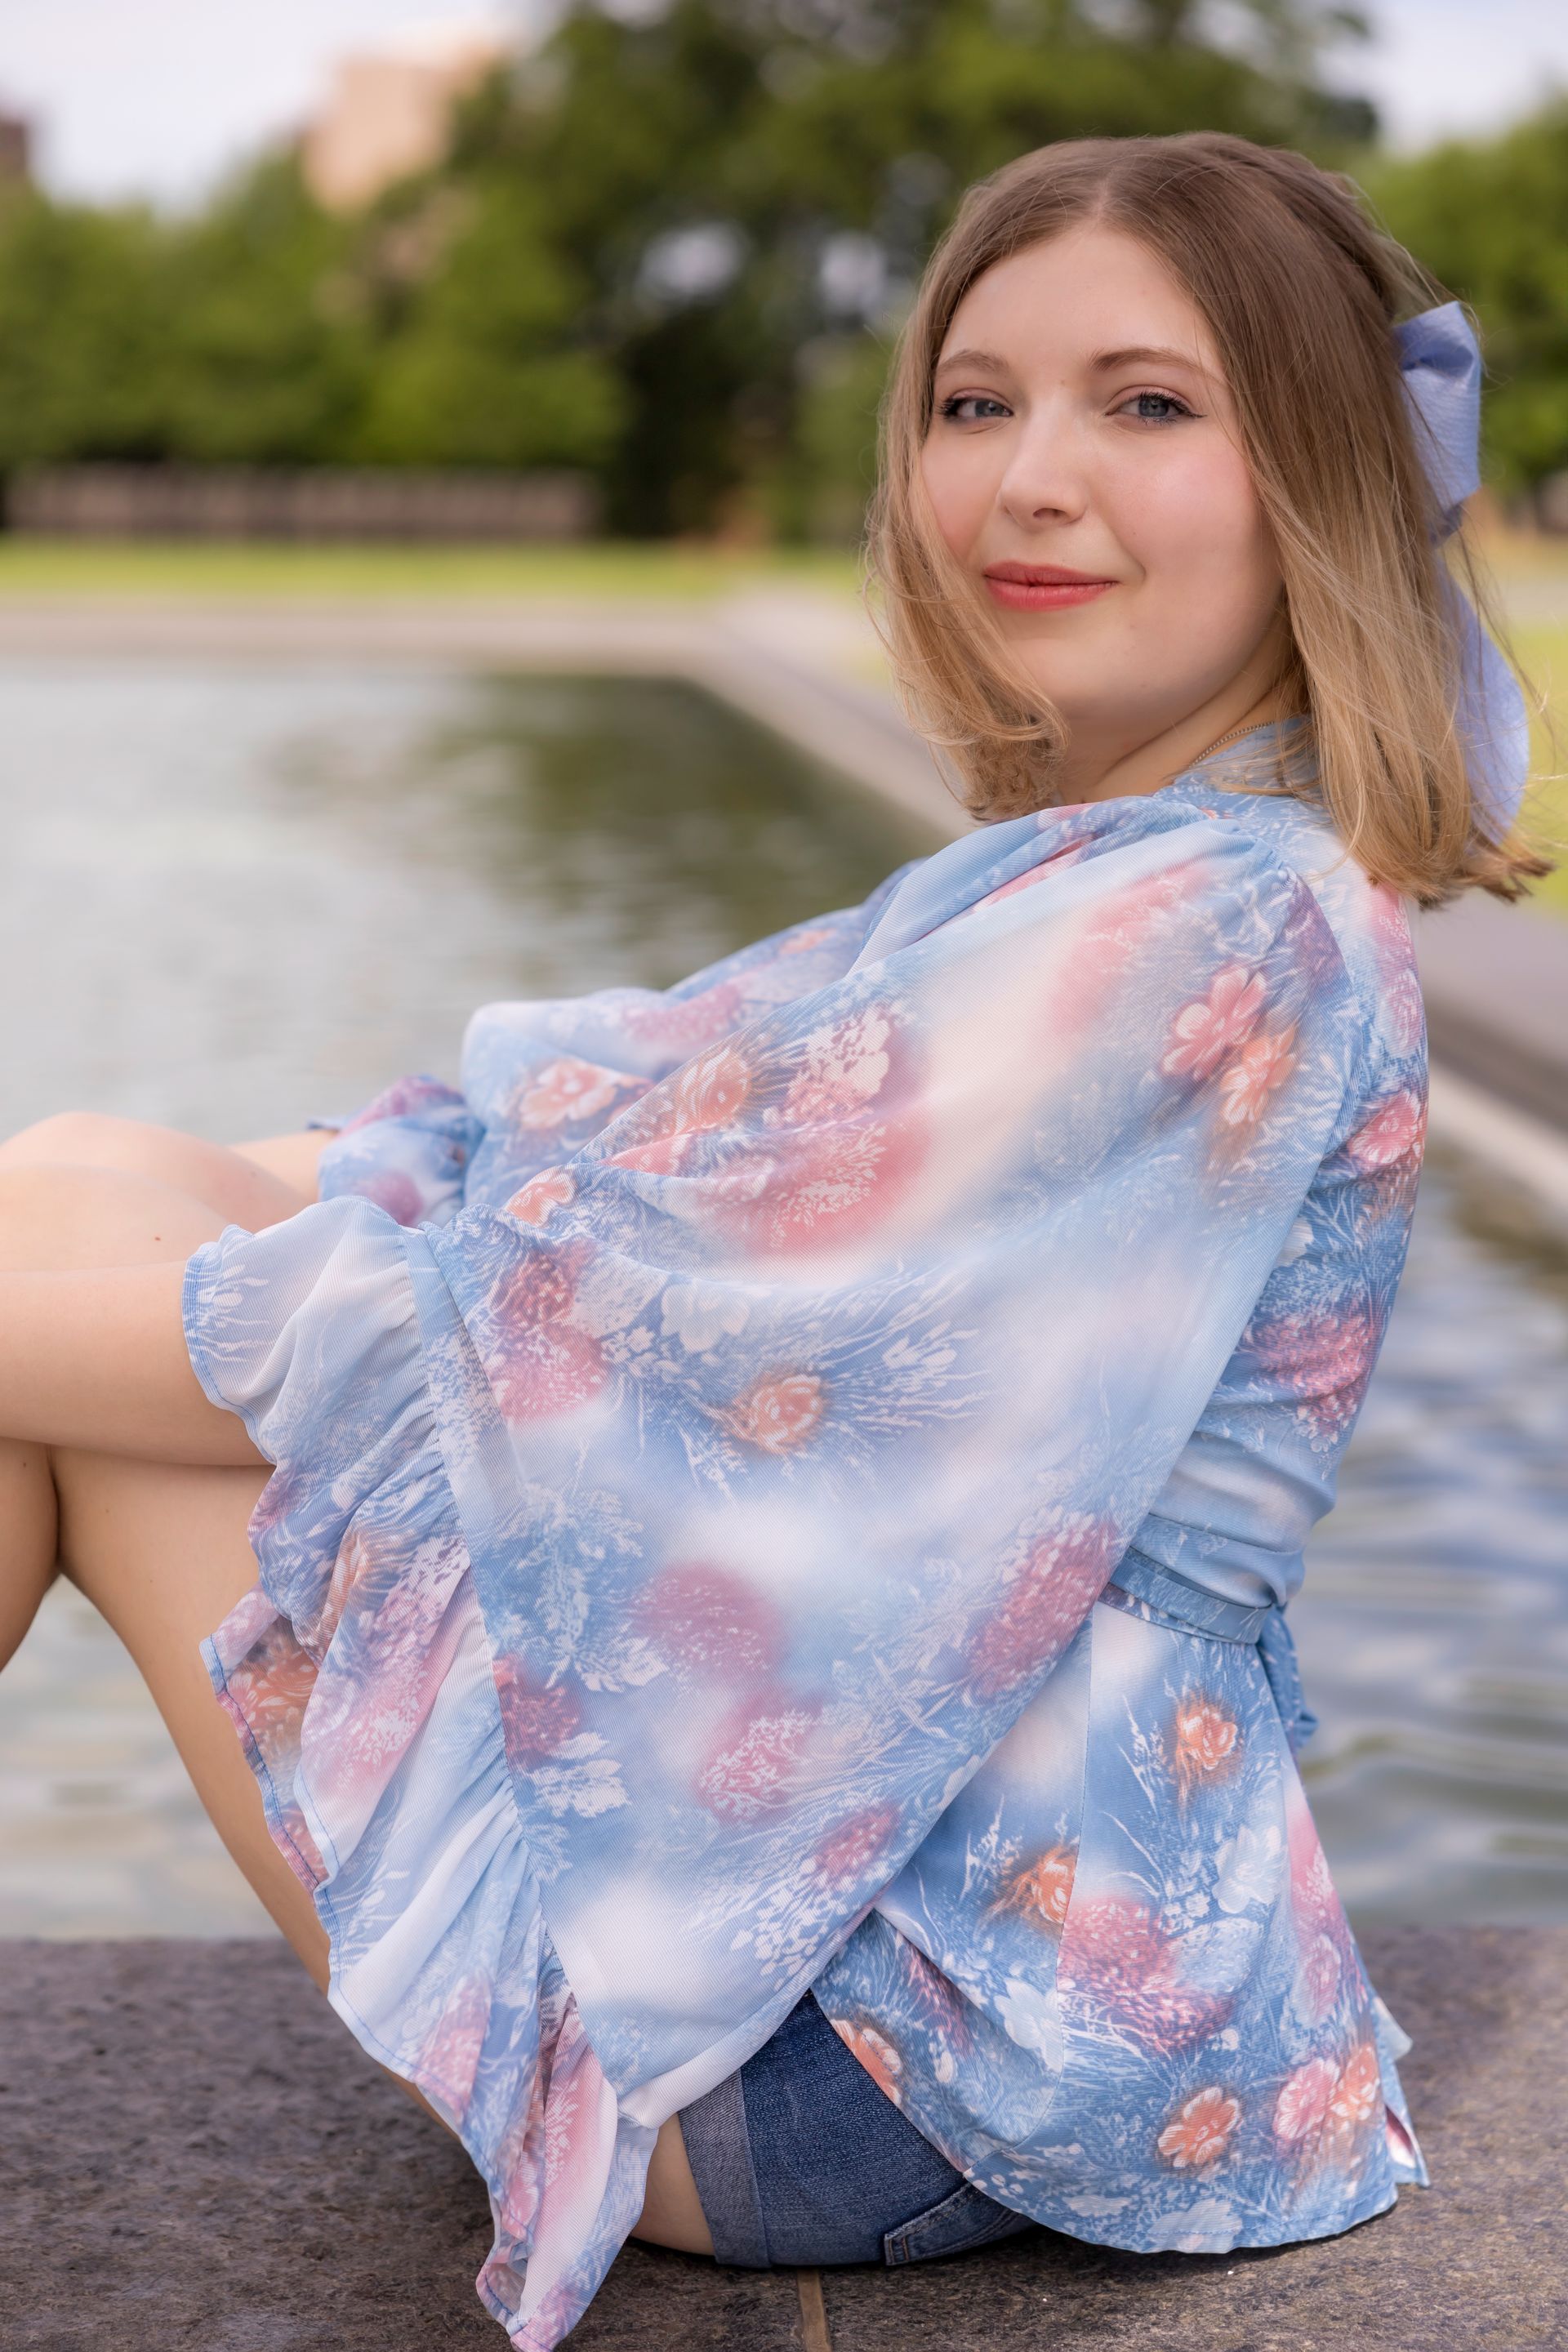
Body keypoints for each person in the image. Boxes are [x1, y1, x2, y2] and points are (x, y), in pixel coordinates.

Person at [0, 131, 1547, 2349]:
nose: (1027, 477)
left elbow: (515, 1333)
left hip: (906, 2045)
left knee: (93, 1331)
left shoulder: (1213, 927)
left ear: (1314, 467)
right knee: (85, 1170)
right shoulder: (1132, 869)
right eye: (972, 400)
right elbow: (556, 1180)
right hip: (956, 1938)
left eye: (1144, 402)